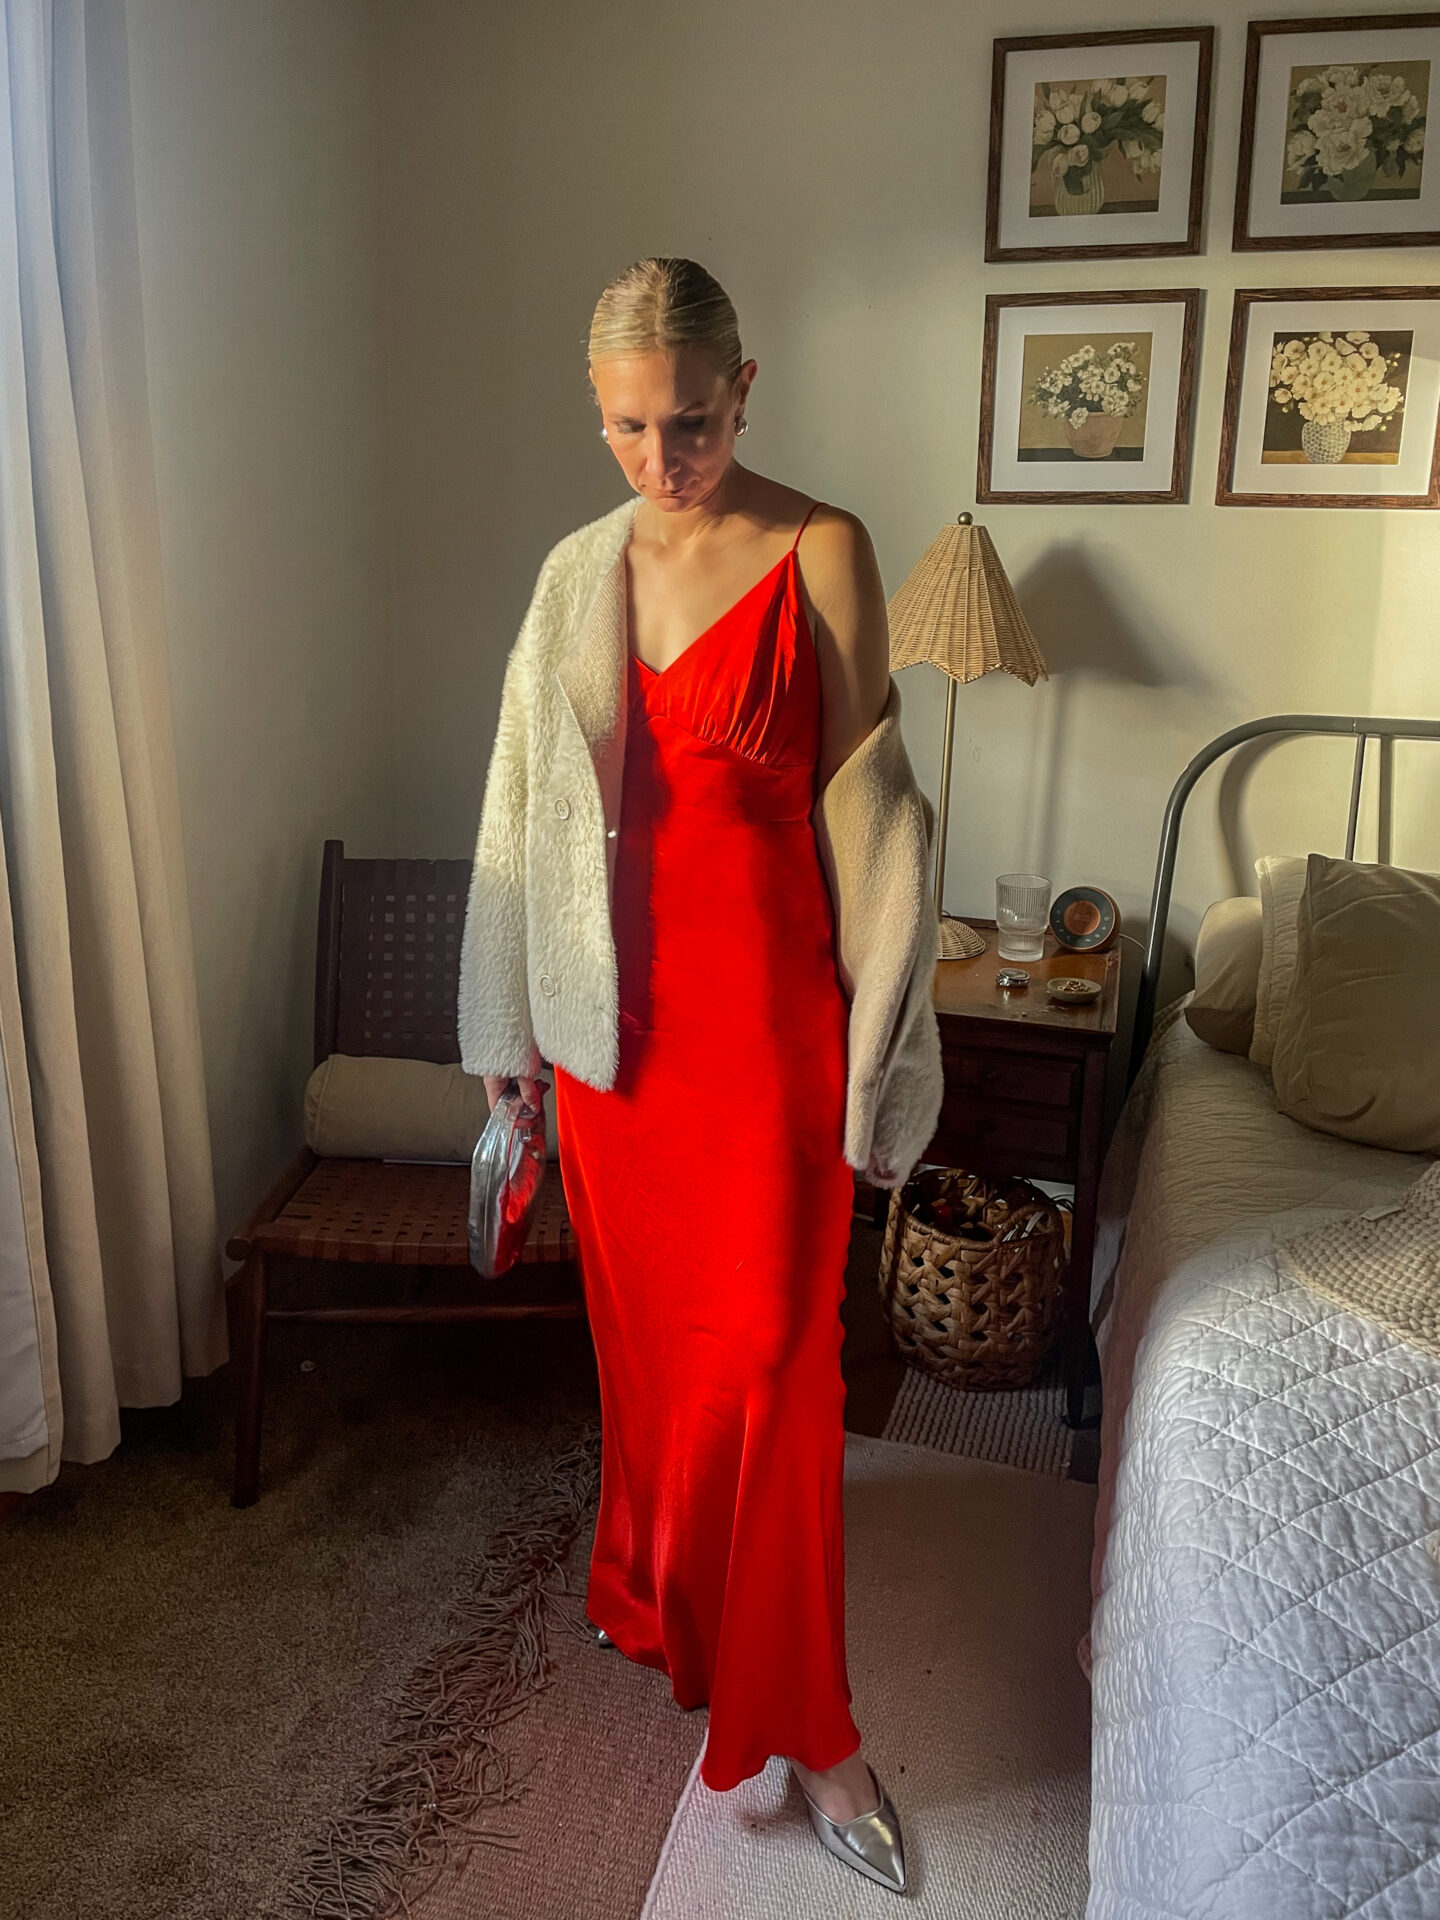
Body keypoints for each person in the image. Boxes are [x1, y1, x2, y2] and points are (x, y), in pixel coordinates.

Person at [474, 256, 911, 1894]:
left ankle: (815, 1724)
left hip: (774, 1040)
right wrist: (508, 1049)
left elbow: (874, 821)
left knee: (786, 1376)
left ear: (750, 388)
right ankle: (666, 1600)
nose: (670, 459)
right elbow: (520, 828)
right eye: (634, 428)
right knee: (659, 1370)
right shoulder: (573, 573)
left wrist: (885, 1049)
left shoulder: (827, 551)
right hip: (620, 1055)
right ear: (599, 418)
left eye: (699, 421)